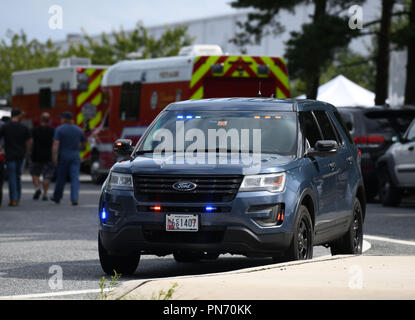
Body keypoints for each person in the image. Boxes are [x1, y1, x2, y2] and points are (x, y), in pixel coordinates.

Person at [51, 111, 86, 205]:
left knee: (61, 178)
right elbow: (84, 143)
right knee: (75, 178)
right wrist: (79, 149)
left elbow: (56, 144)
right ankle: (74, 198)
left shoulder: (59, 129)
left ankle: (57, 197)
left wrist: (54, 157)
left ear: (65, 119)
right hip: (75, 156)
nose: (60, 120)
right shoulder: (79, 130)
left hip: (63, 156)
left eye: (61, 118)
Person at [0, 109, 32, 207]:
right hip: (21, 155)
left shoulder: (5, 127)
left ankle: (13, 199)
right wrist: (27, 152)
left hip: (10, 155)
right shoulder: (24, 127)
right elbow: (30, 141)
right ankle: (17, 197)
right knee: (18, 176)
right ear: (18, 116)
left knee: (12, 177)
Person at [30, 112, 55, 201]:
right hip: (48, 155)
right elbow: (54, 144)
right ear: (49, 120)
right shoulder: (52, 131)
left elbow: (31, 142)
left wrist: (29, 152)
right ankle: (45, 193)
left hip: (36, 155)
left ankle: (37, 188)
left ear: (41, 119)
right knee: (47, 176)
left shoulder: (34, 130)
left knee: (35, 173)